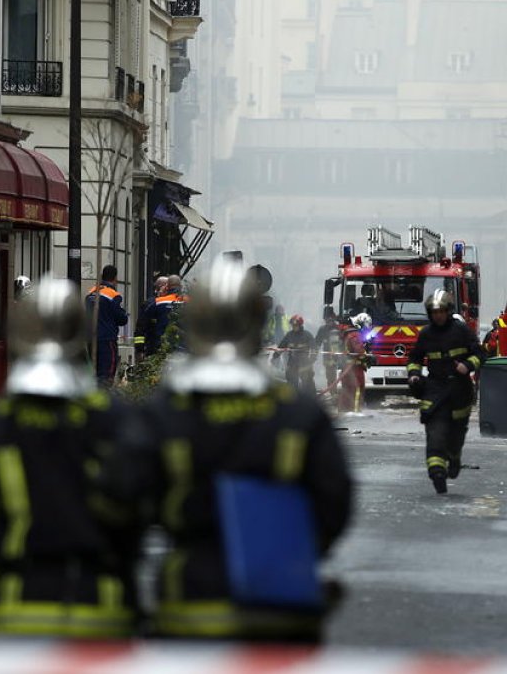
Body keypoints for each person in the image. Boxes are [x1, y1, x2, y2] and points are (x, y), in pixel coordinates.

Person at [105, 259, 353, 642]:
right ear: (257, 324)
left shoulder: (165, 413)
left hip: (189, 602)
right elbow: (334, 503)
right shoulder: (299, 413)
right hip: (283, 606)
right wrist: (291, 553)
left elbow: (123, 500)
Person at [0, 279, 139, 638]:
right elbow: (138, 501)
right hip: (100, 601)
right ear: (80, 334)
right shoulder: (110, 419)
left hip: (19, 601)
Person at [407, 290, 483, 495]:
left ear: (448, 311)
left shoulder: (461, 330)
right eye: (434, 312)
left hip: (460, 391)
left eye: (441, 311)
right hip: (435, 390)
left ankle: (454, 457)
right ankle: (437, 474)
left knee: (455, 436)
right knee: (435, 435)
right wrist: (414, 375)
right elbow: (414, 359)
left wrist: (467, 365)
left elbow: (480, 353)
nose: (437, 315)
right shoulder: (426, 334)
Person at [87, 265, 129, 386]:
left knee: (94, 373)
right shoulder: (113, 295)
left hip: (91, 339)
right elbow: (121, 319)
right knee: (106, 374)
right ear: (115, 278)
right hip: (107, 339)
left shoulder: (90, 293)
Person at [139, 275, 186, 357]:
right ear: (181, 286)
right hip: (184, 348)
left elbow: (142, 324)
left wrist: (140, 348)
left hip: (161, 348)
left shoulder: (158, 302)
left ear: (167, 287)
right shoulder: (190, 302)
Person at [337, 312, 373, 414]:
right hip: (354, 367)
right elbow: (359, 351)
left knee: (347, 390)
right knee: (357, 388)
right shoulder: (354, 334)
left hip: (348, 368)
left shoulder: (347, 332)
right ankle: (356, 412)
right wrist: (369, 357)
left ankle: (344, 411)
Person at [278, 314, 316, 394]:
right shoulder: (289, 335)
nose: (294, 327)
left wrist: (312, 359)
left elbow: (314, 348)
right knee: (291, 383)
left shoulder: (307, 335)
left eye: (296, 325)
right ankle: (293, 400)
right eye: (293, 325)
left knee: (307, 384)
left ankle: (310, 400)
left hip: (304, 363)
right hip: (292, 362)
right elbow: (281, 346)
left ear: (300, 325)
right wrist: (275, 355)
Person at [133, 275, 169, 358]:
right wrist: (140, 349)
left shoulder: (171, 304)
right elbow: (140, 328)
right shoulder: (150, 304)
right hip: (152, 348)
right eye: (167, 286)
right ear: (161, 287)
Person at [316, 307, 343, 391]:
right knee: (330, 376)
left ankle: (341, 393)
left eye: (330, 317)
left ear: (334, 317)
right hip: (328, 358)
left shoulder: (340, 328)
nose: (329, 320)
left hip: (341, 358)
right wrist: (313, 354)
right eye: (327, 318)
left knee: (342, 376)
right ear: (324, 319)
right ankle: (333, 392)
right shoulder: (322, 330)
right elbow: (317, 343)